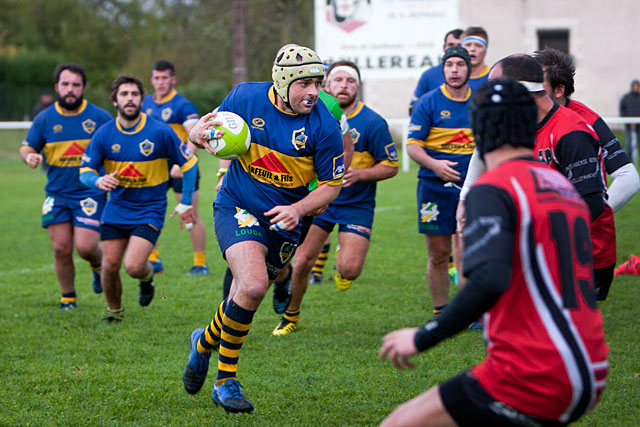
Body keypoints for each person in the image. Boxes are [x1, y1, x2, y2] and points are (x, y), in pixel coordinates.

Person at [379, 79, 609, 427]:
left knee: (399, 423)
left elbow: (489, 278)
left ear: (479, 128)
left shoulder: (494, 186)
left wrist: (423, 336)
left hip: (537, 370)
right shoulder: (561, 184)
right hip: (590, 363)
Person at [181, 45, 345, 414]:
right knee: (252, 285)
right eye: (304, 83)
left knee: (245, 293)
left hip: (284, 221)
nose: (313, 92)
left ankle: (202, 341)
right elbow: (205, 132)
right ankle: (226, 382)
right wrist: (196, 134)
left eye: (317, 83)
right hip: (236, 205)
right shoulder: (245, 97)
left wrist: (298, 209)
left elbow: (332, 185)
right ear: (283, 81)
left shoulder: (324, 126)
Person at [459, 54, 613, 301]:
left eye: (496, 90)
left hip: (567, 257)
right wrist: (466, 199)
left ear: (520, 91)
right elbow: (482, 156)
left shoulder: (570, 131)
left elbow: (592, 203)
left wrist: (534, 236)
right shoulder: (519, 124)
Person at [272, 60, 398, 336]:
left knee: (350, 270)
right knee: (302, 261)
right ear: (327, 85)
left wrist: (360, 174)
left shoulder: (373, 122)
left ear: (358, 86)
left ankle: (343, 263)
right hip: (320, 201)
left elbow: (391, 165)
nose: (343, 86)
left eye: (350, 81)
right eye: (338, 80)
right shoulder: (312, 113)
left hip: (356, 204)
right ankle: (290, 316)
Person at [79, 74, 197, 322]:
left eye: (134, 94)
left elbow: (190, 164)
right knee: (110, 266)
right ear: (115, 101)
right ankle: (115, 312)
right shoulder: (104, 134)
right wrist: (97, 180)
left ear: (141, 99)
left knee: (133, 266)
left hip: (150, 208)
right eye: (124, 94)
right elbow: (85, 171)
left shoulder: (160, 131)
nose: (130, 99)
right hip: (117, 207)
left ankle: (147, 278)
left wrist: (186, 200)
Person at [20, 63, 112, 310]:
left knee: (85, 247)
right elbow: (27, 146)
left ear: (83, 87)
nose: (70, 89)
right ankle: (68, 297)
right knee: (61, 248)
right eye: (65, 84)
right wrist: (29, 156)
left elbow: (116, 145)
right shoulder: (44, 119)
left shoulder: (100, 118)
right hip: (57, 193)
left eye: (75, 85)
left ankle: (97, 264)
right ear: (57, 87)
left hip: (90, 192)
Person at [407, 46, 475, 318]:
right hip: (433, 188)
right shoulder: (428, 102)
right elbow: (412, 146)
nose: (454, 70)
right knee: (438, 253)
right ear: (443, 69)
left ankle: (468, 311)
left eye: (460, 64)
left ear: (469, 68)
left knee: (467, 247)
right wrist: (436, 165)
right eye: (450, 65)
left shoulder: (480, 102)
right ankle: (441, 311)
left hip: (470, 188)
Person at [534, 47, 640, 213]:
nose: (531, 87)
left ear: (559, 90)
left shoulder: (586, 121)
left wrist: (593, 216)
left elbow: (629, 177)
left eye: (538, 82)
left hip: (583, 234)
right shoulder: (523, 115)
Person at [142, 59, 208, 276]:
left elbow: (195, 133)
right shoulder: (145, 104)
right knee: (147, 212)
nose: (160, 82)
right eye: (157, 78)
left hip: (181, 166)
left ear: (173, 79)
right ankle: (154, 260)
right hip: (154, 167)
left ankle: (200, 264)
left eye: (164, 78)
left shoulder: (182, 106)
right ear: (152, 80)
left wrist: (183, 162)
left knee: (190, 214)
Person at [408, 28, 463, 116]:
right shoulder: (429, 75)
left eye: (460, 45)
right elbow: (413, 109)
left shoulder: (483, 75)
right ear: (444, 47)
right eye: (451, 45)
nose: (455, 49)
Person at [619, 79, 640, 165]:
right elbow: (622, 109)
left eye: (637, 86)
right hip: (628, 125)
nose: (635, 87)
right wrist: (628, 121)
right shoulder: (626, 98)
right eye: (634, 86)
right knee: (628, 144)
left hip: (639, 125)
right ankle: (629, 162)